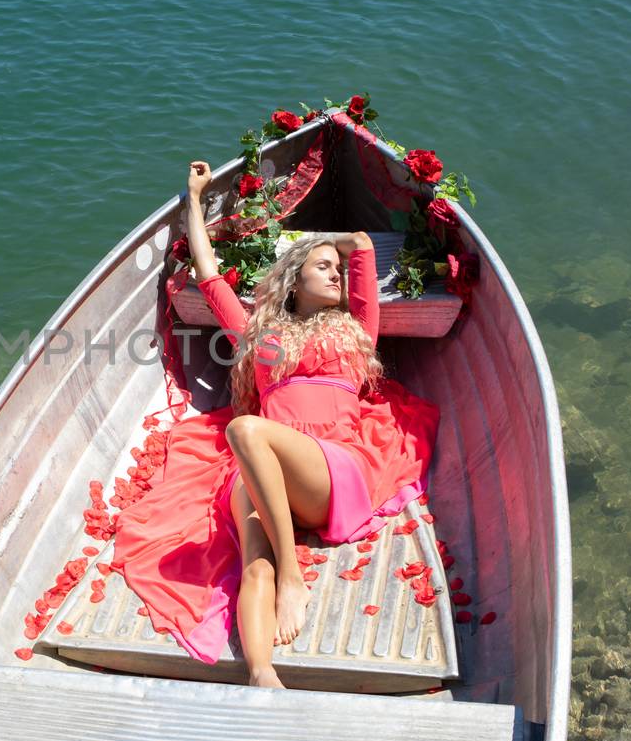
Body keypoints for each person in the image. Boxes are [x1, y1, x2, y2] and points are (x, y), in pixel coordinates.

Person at [110, 160, 440, 689]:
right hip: (262, 472)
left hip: (328, 470)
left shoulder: (356, 328)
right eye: (323, 266)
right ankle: (262, 675)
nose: (335, 273)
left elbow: (359, 254)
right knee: (251, 565)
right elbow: (209, 275)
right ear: (294, 278)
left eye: (338, 269)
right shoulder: (257, 331)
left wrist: (349, 248)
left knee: (245, 430)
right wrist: (193, 199)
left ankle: (293, 574)